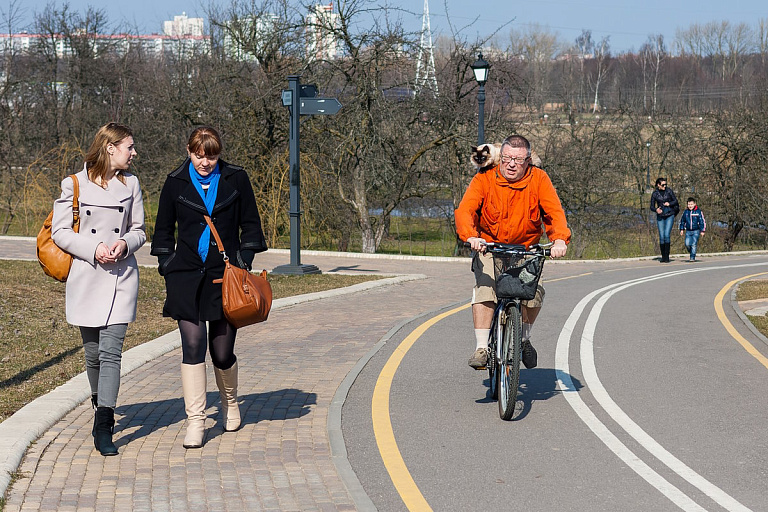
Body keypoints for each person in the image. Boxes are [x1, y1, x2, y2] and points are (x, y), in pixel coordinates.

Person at [151, 126, 267, 449]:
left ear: (219, 153)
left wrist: (243, 261)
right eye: (199, 155)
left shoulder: (236, 179)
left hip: (224, 278)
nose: (205, 162)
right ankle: (196, 421)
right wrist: (168, 267)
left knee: (222, 351)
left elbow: (252, 227)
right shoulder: (175, 183)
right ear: (189, 151)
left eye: (212, 155)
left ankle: (230, 402)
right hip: (185, 277)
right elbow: (162, 233)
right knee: (193, 346)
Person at [51, 122, 146, 456]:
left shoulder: (131, 184)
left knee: (111, 353)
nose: (133, 153)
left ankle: (103, 422)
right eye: (129, 147)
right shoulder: (74, 183)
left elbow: (139, 230)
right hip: (88, 275)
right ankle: (98, 400)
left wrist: (123, 242)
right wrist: (93, 250)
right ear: (110, 148)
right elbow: (59, 232)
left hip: (121, 278)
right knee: (93, 354)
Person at [455, 134, 570, 371]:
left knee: (534, 291)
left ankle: (523, 339)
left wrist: (559, 239)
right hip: (489, 247)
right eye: (507, 157)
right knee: (486, 288)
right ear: (500, 157)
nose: (511, 164)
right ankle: (482, 348)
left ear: (528, 160)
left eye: (517, 159)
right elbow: (466, 209)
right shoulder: (484, 179)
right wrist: (471, 236)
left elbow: (554, 212)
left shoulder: (539, 179)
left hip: (526, 249)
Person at [650, 177, 679, 263]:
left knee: (667, 235)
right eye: (663, 185)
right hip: (660, 215)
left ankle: (667, 257)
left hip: (669, 214)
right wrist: (656, 210)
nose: (664, 186)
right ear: (658, 185)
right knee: (661, 236)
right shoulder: (655, 194)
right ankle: (663, 256)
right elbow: (651, 206)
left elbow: (675, 201)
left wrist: (669, 203)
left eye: (665, 184)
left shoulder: (669, 191)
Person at [679, 197, 706, 262]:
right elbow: (682, 221)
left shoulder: (698, 212)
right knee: (687, 244)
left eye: (691, 204)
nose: (690, 206)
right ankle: (691, 251)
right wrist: (681, 229)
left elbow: (702, 221)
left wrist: (702, 230)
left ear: (694, 204)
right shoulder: (686, 212)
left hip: (696, 230)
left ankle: (692, 257)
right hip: (688, 231)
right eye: (689, 204)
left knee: (694, 244)